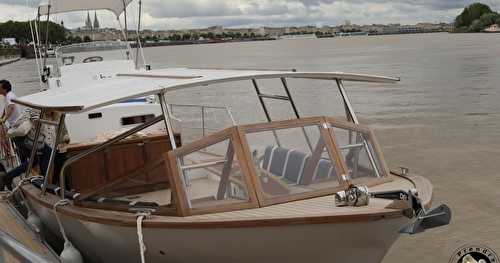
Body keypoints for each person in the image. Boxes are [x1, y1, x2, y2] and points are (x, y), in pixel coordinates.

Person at [0, 79, 28, 161]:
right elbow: (7, 108)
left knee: (20, 145)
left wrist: (4, 119)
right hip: (15, 125)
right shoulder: (8, 96)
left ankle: (24, 162)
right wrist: (2, 117)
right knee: (18, 145)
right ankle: (23, 161)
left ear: (4, 89)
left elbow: (11, 107)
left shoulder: (9, 96)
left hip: (17, 125)